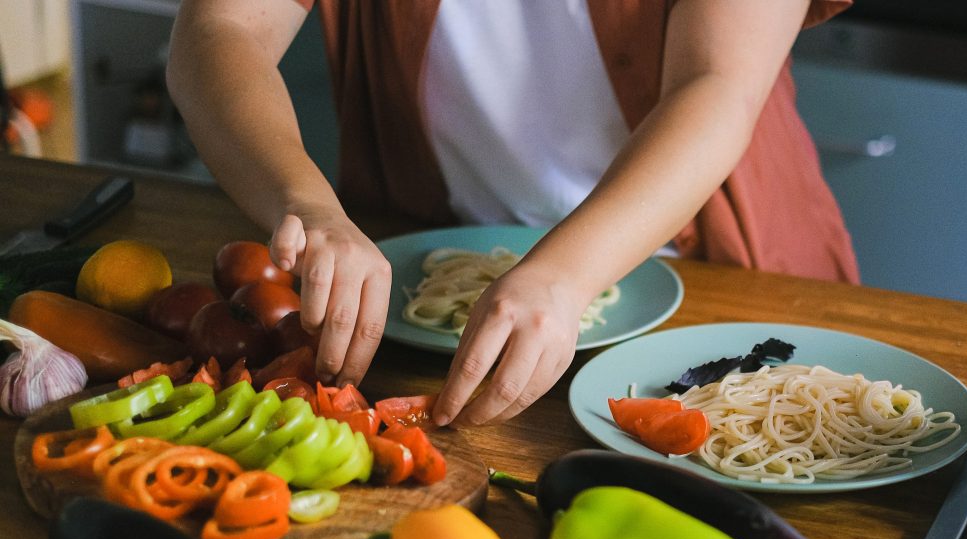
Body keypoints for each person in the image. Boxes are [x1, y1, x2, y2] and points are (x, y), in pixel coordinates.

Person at [166, 0, 858, 428]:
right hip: (424, 303)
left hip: (714, 279)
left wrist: (563, 276)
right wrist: (308, 204)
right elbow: (221, 29)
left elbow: (719, 85)